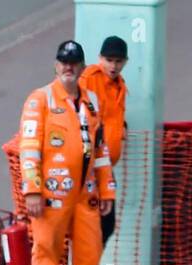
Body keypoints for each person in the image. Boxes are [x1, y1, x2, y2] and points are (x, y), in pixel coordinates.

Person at [17, 40, 116, 265]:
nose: (68, 67)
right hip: (51, 194)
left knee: (90, 250)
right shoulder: (40, 99)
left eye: (74, 63)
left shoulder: (91, 102)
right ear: (56, 65)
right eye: (64, 62)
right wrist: (32, 190)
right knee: (47, 251)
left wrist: (107, 190)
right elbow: (29, 147)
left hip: (85, 194)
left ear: (82, 68)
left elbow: (100, 151)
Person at [81, 36, 129, 252]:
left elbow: (112, 115)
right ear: (100, 58)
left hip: (106, 165)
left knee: (106, 224)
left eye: (118, 61)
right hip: (90, 165)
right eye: (109, 60)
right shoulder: (90, 79)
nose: (113, 66)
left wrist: (122, 127)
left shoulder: (120, 86)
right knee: (97, 223)